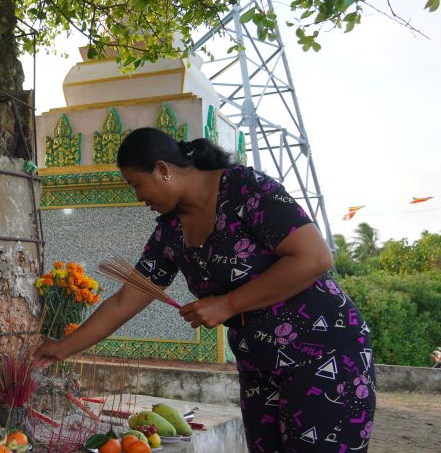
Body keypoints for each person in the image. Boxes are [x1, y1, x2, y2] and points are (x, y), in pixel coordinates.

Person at [34, 128, 375, 452]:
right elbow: (125, 301)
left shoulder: (247, 189)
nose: (139, 198)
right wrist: (63, 348)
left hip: (323, 354)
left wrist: (228, 303)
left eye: (137, 185)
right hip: (260, 365)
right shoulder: (170, 231)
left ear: (163, 170)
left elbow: (314, 257)